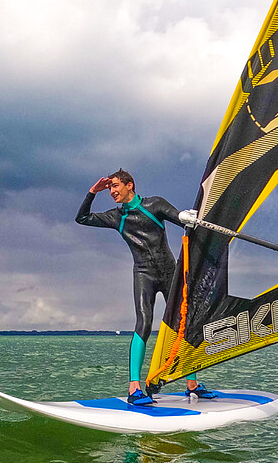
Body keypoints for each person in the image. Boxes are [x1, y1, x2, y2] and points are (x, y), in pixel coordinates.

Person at [76, 169, 214, 404]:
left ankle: (192, 384)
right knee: (144, 323)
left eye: (115, 186)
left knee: (186, 321)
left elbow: (179, 219)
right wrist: (92, 192)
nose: (112, 191)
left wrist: (187, 218)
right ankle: (134, 389)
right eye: (109, 188)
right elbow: (82, 218)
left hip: (170, 272)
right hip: (144, 274)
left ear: (130, 185)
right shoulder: (116, 217)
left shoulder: (155, 204)